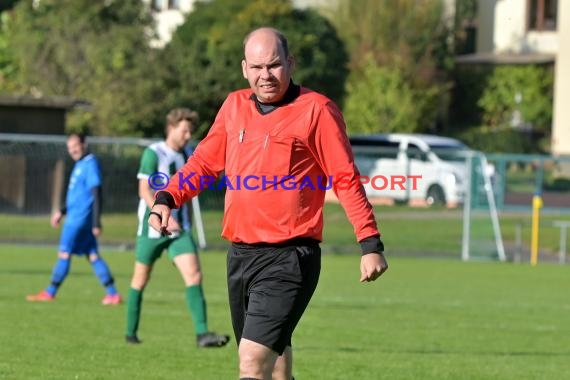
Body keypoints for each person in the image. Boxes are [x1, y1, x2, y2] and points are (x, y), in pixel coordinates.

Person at [149, 28, 388, 379]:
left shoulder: (317, 110)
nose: (266, 76)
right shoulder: (233, 107)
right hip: (241, 255)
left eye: (274, 65)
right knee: (275, 364)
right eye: (257, 67)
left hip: (290, 257)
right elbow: (203, 163)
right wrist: (168, 198)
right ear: (245, 68)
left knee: (251, 361)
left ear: (290, 63)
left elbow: (345, 177)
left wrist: (370, 243)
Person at [125, 107, 230, 348]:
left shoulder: (189, 154)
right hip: (152, 230)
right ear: (171, 128)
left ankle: (202, 334)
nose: (187, 135)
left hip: (179, 230)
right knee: (140, 280)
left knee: (194, 274)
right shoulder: (153, 153)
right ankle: (131, 334)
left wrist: (185, 222)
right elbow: (144, 190)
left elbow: (191, 192)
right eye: (184, 130)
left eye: (190, 131)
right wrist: (161, 212)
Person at [27, 133, 122, 305]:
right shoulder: (81, 164)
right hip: (77, 216)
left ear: (84, 144)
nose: (73, 151)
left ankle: (50, 292)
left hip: (78, 220)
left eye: (75, 146)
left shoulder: (90, 164)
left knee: (64, 252)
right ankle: (113, 294)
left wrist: (96, 222)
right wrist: (62, 211)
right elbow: (78, 196)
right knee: (92, 254)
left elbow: (96, 193)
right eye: (70, 148)